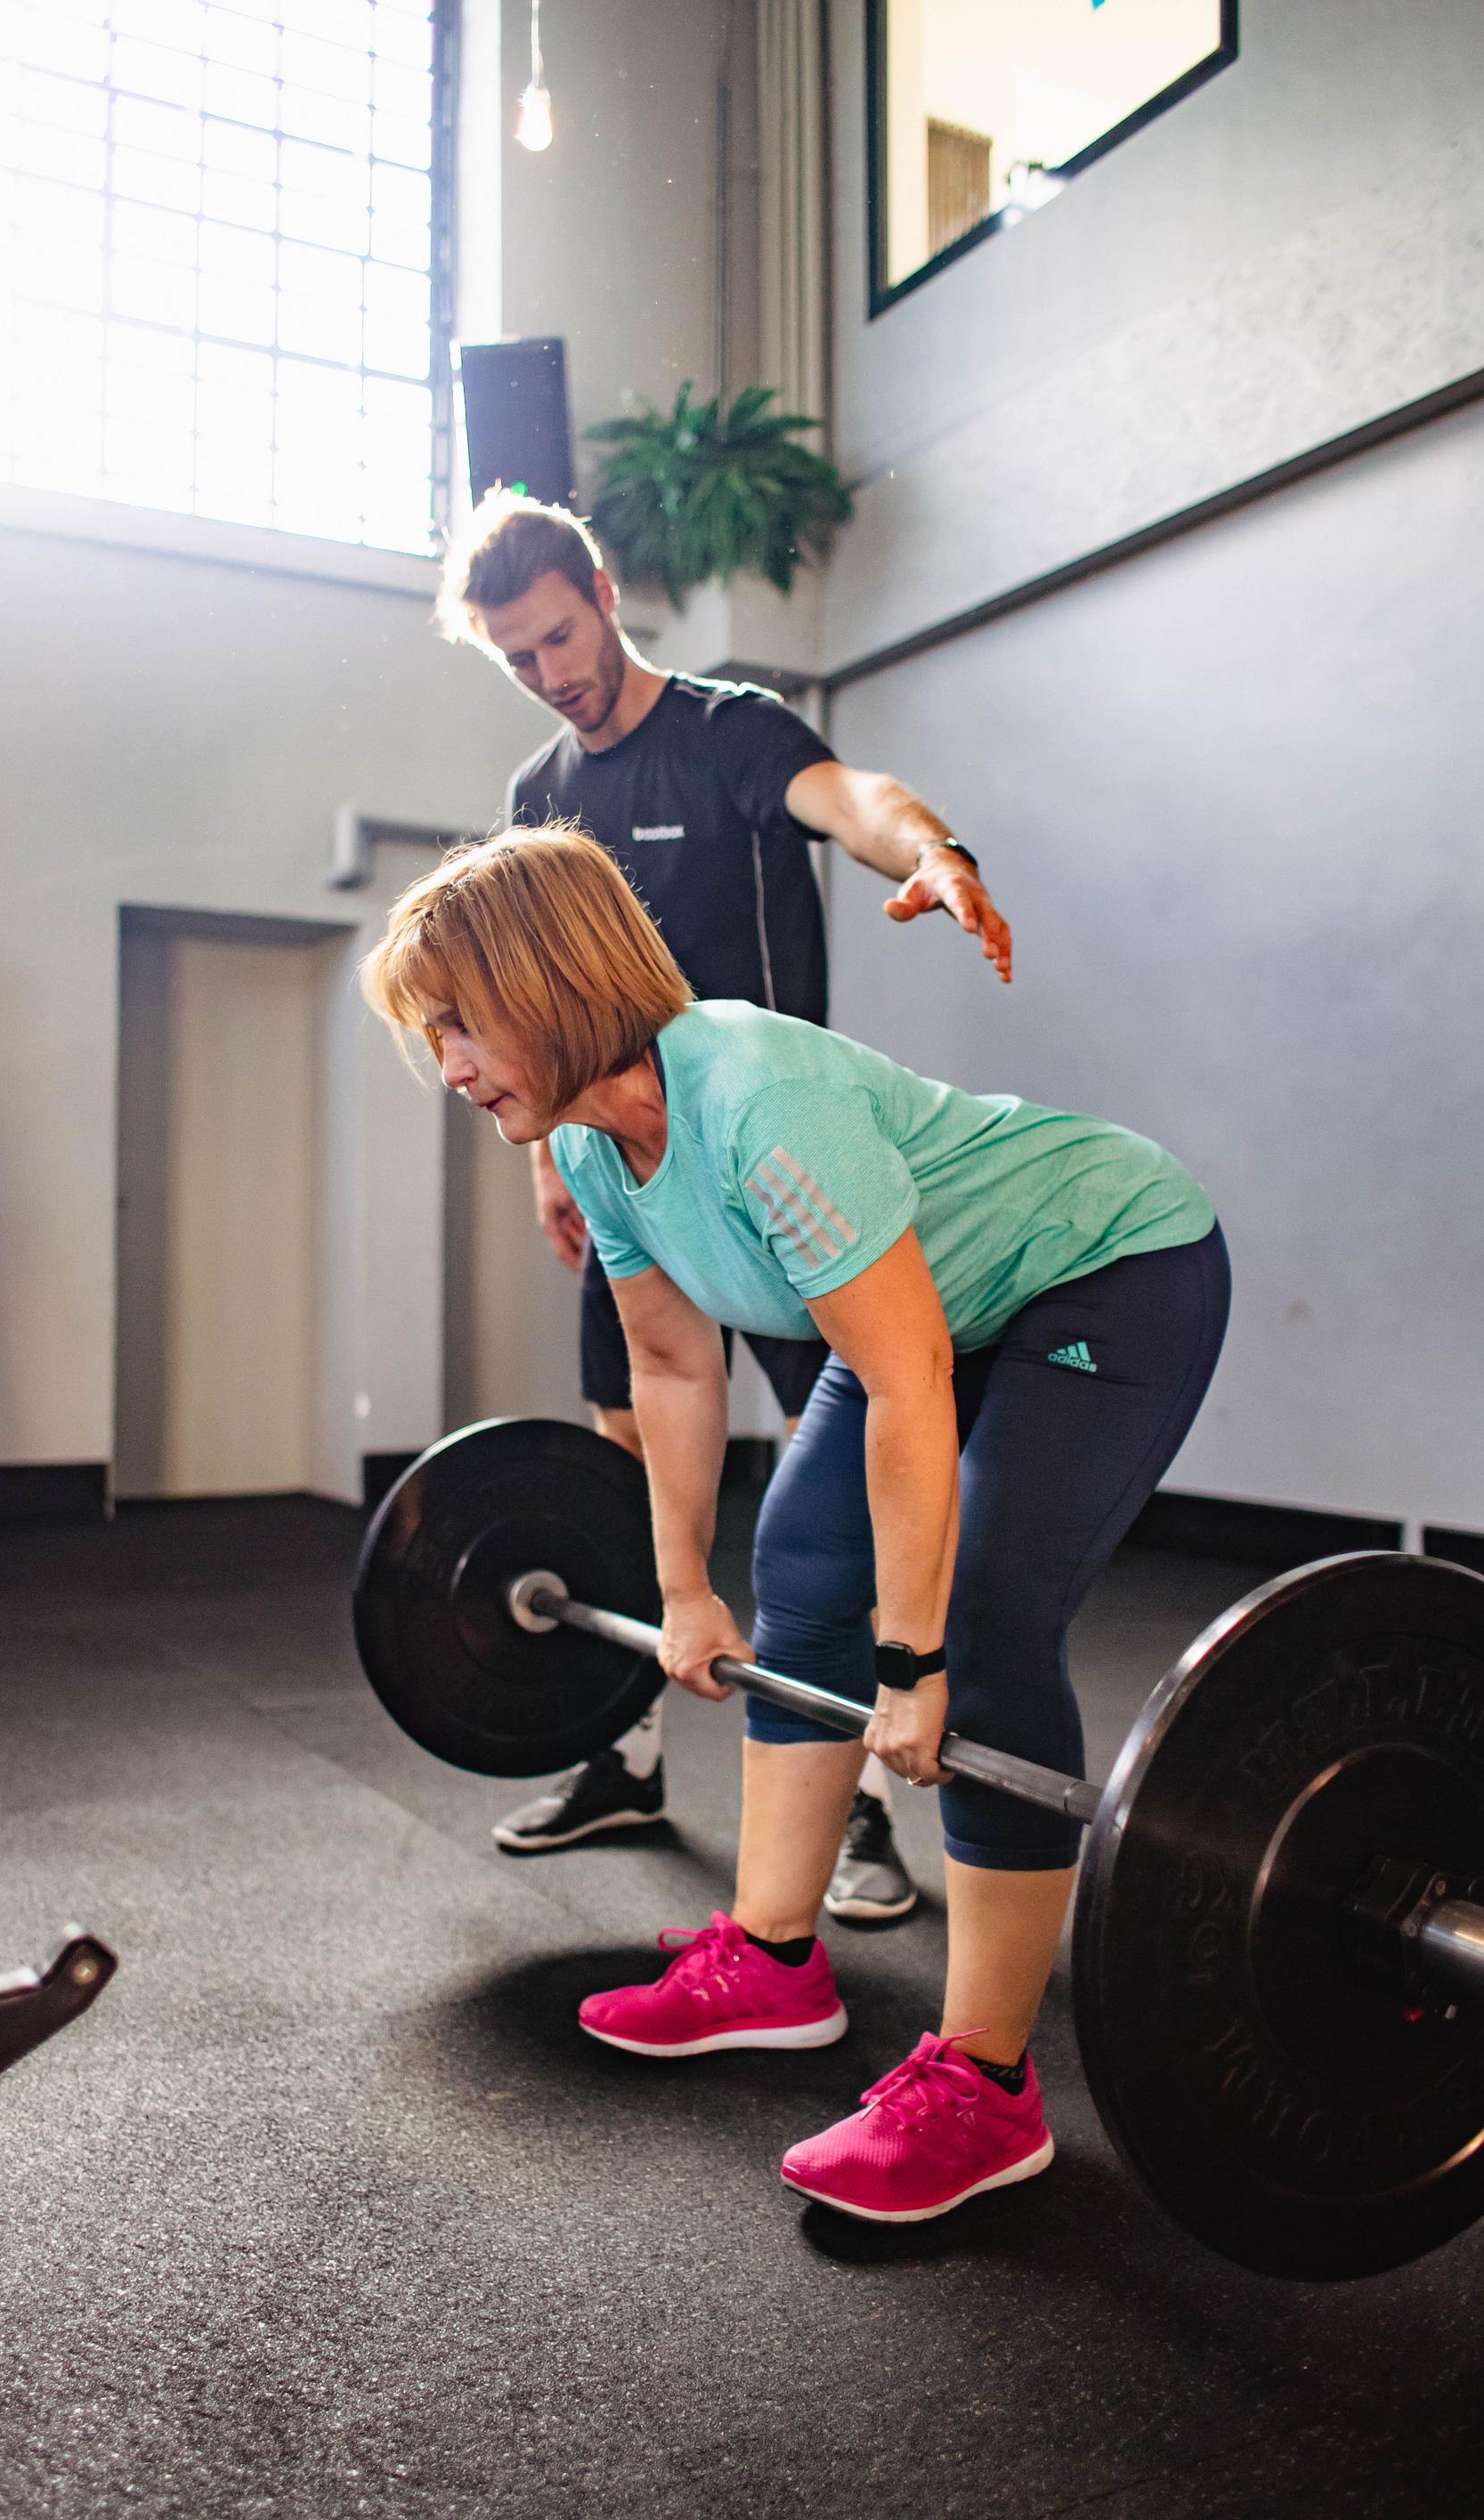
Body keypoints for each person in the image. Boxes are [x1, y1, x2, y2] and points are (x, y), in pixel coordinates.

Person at [362, 824, 1229, 2225]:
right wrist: (684, 1593)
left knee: (986, 1618)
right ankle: (774, 1964)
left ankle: (988, 2089)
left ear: (551, 982)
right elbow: (669, 1366)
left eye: (462, 1027)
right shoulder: (591, 1146)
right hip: (933, 1315)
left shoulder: (759, 1098)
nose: (452, 1069)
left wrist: (910, 1667)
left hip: (1104, 1265)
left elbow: (903, 1383)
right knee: (802, 1569)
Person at [437, 493, 1013, 1912]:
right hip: (629, 1172)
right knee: (630, 1464)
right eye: (518, 658)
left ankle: (869, 1799)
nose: (552, 672)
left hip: (772, 1169)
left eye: (561, 636)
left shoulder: (729, 726)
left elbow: (851, 801)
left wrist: (937, 854)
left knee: (849, 1487)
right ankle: (622, 1750)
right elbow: (522, 995)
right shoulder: (537, 795)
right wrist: (542, 1159)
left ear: (605, 590)